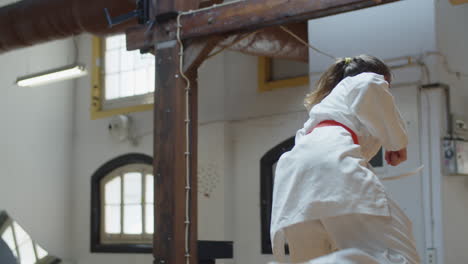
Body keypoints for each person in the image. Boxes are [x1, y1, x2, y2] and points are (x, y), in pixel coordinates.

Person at [270, 55, 421, 263]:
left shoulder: (320, 117)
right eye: (388, 87)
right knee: (398, 255)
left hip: (293, 181)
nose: (386, 93)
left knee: (312, 258)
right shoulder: (361, 81)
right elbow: (370, 84)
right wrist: (397, 142)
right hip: (330, 166)